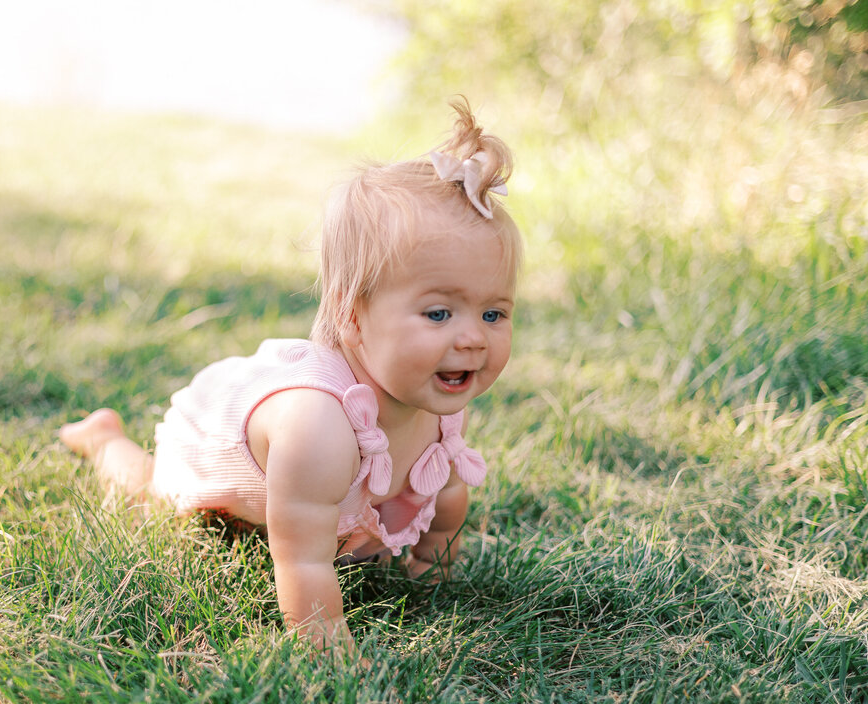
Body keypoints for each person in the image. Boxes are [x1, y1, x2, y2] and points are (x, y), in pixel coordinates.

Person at [60, 99, 522, 660]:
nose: (474, 338)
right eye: (439, 314)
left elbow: (447, 490)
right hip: (216, 435)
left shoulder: (442, 393)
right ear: (353, 316)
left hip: (311, 468)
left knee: (335, 508)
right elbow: (302, 558)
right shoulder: (318, 427)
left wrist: (431, 564)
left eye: (493, 314)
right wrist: (327, 649)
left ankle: (347, 519)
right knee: (151, 493)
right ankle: (104, 439)